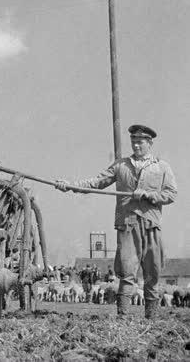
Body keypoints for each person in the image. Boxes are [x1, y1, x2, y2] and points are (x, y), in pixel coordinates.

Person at [55, 124, 177, 319]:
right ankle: (123, 318)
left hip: (151, 225)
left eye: (140, 142)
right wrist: (70, 185)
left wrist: (149, 195)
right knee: (127, 272)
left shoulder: (162, 167)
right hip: (127, 225)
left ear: (150, 143)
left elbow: (171, 194)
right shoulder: (121, 165)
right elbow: (97, 182)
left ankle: (152, 319)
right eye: (134, 142)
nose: (136, 146)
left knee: (152, 272)